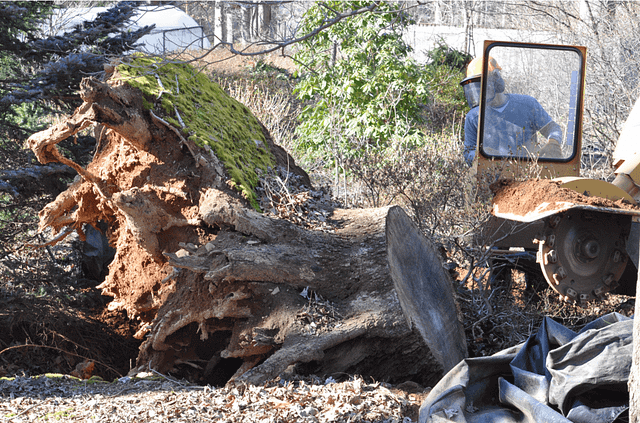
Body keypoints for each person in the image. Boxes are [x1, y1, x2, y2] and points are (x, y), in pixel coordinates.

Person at [460, 56, 563, 166]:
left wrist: (553, 142)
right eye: (475, 87)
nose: (479, 91)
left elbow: (552, 128)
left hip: (529, 173)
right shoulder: (474, 117)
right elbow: (468, 152)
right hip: (493, 176)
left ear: (496, 80)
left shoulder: (527, 104)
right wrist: (479, 155)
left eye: (481, 84)